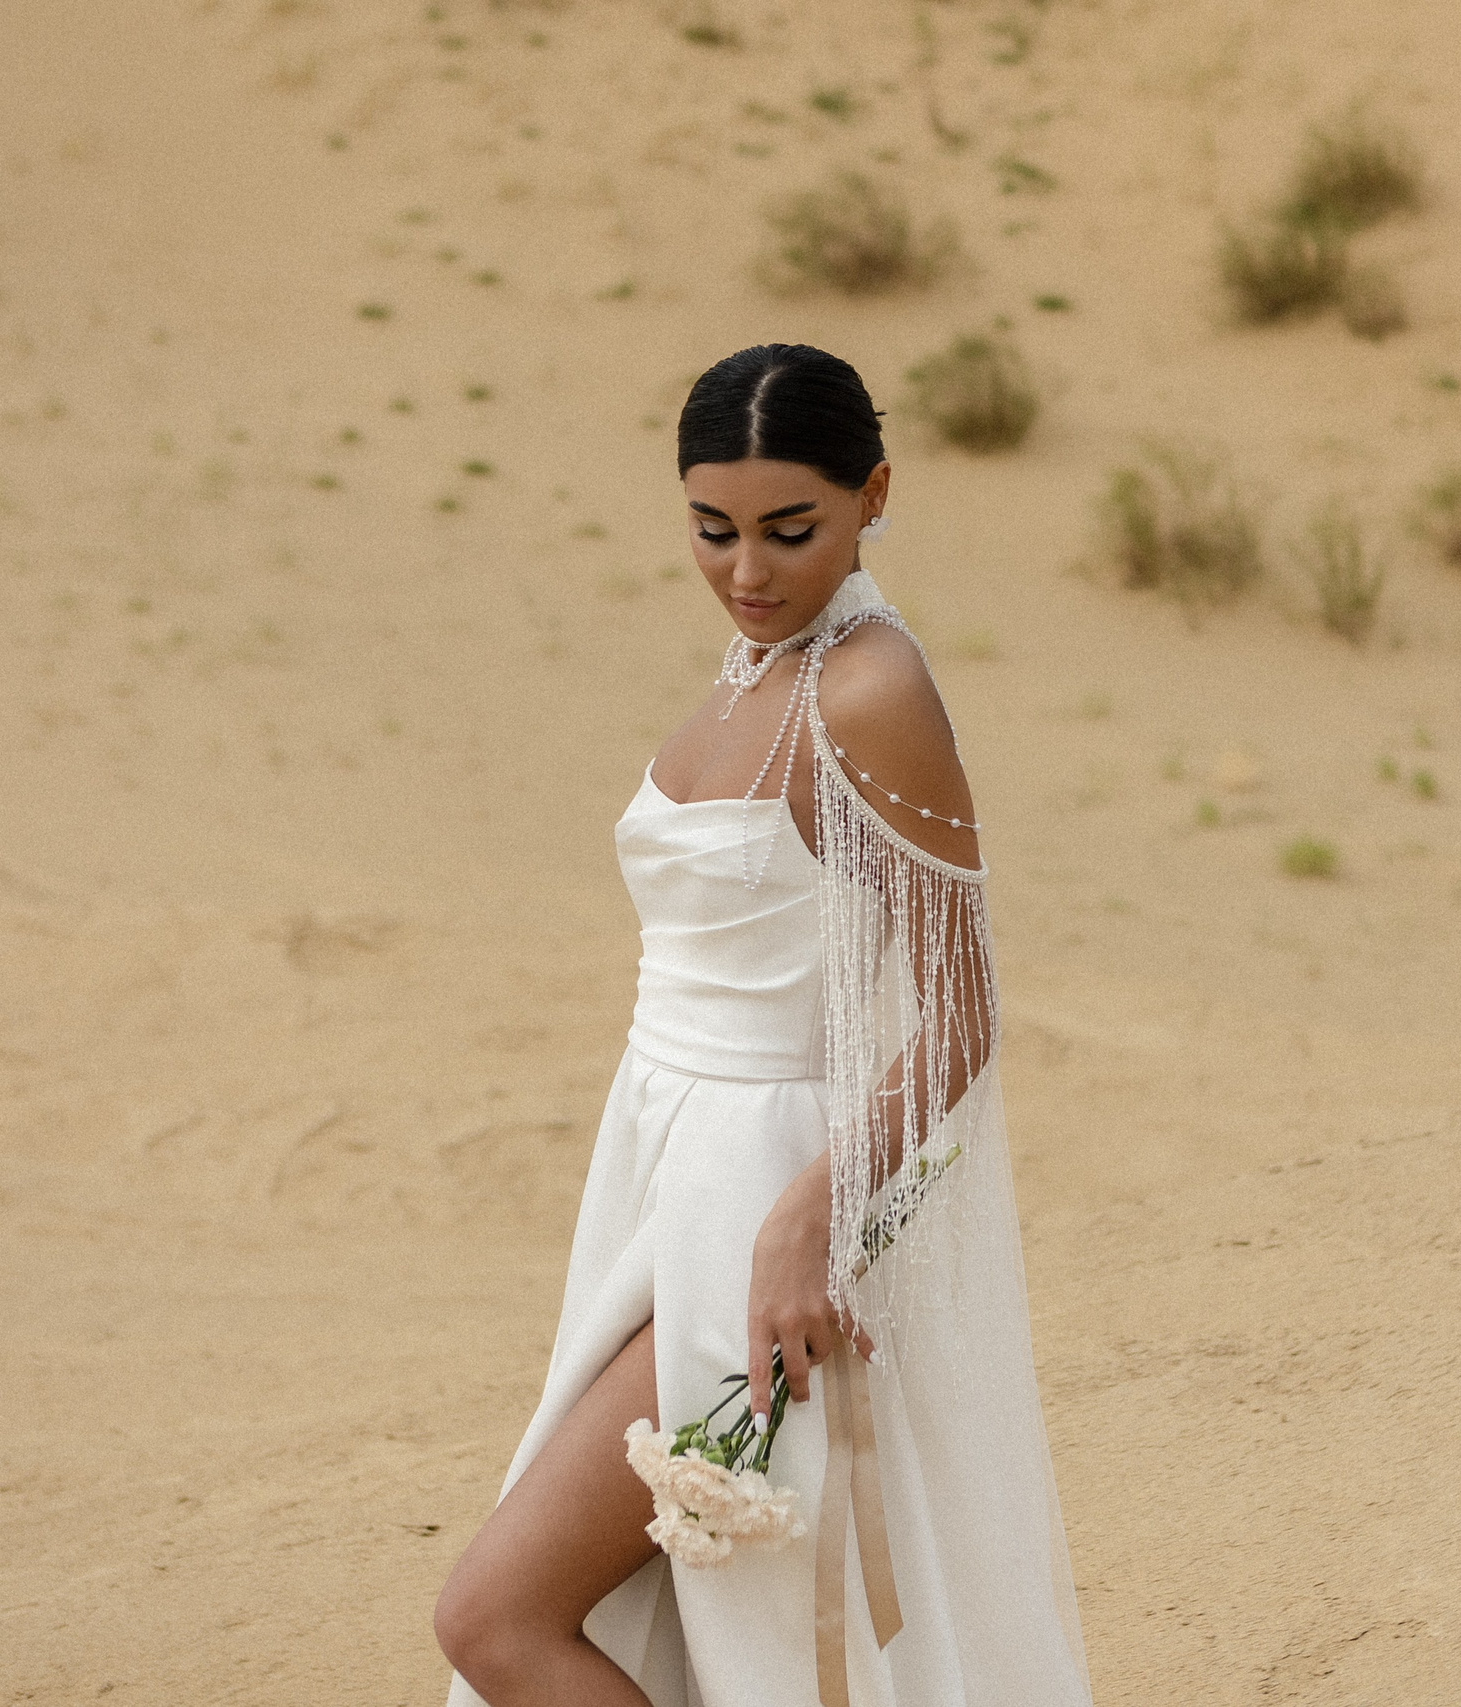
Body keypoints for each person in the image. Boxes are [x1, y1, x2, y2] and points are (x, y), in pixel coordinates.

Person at [433, 344, 1092, 1707]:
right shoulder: (752, 671)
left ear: (872, 497)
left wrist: (812, 1213)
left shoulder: (867, 686)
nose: (747, 568)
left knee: (502, 1615)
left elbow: (963, 1007)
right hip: (658, 1183)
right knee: (665, 1619)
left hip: (762, 1206)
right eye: (711, 527)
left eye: (791, 529)